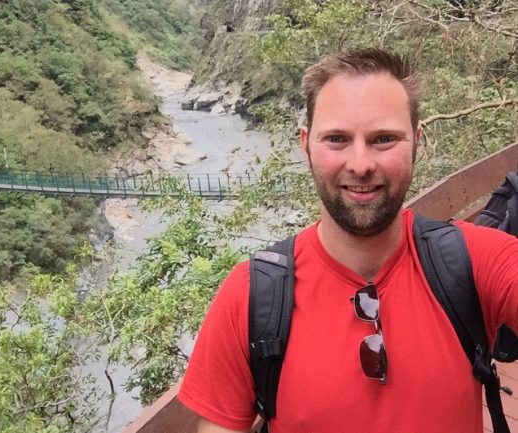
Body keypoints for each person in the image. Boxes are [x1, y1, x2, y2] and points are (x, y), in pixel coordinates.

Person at [177, 48, 518, 433]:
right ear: (306, 145)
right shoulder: (250, 298)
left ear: (417, 142)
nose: (360, 165)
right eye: (337, 139)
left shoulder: (474, 261)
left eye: (383, 139)